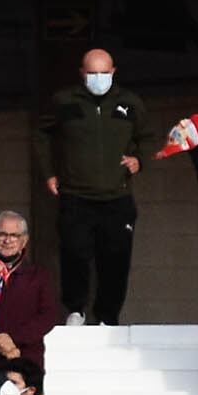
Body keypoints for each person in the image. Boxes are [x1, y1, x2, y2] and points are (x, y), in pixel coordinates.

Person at [32, 48, 157, 327]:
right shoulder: (63, 101)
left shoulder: (130, 103)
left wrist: (140, 160)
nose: (98, 78)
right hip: (76, 196)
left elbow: (149, 137)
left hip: (117, 196)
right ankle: (75, 309)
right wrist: (49, 173)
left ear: (113, 72)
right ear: (82, 74)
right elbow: (41, 134)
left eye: (103, 72)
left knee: (115, 259)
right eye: (92, 73)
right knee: (74, 254)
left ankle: (107, 315)